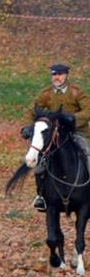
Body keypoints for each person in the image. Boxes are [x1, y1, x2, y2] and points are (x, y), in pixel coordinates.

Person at [22, 63, 90, 211]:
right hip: (54, 135)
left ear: (66, 75)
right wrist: (28, 127)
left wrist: (72, 118)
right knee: (40, 159)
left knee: (88, 154)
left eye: (59, 74)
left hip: (76, 133)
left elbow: (87, 111)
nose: (57, 78)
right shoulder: (46, 94)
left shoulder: (76, 93)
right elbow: (32, 110)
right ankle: (41, 195)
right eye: (54, 75)